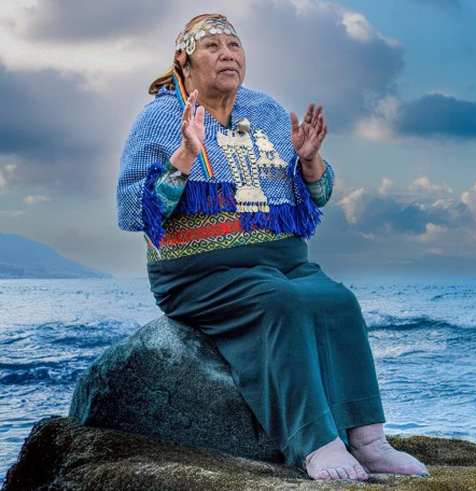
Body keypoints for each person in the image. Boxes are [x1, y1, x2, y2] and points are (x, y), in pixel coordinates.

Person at [117, 13, 428, 482]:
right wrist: (184, 157)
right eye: (213, 47)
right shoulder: (159, 119)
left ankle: (368, 440)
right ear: (183, 61)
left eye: (234, 45)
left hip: (282, 262)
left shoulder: (264, 112)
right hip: (199, 275)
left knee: (339, 301)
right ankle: (315, 444)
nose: (227, 54)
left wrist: (309, 161)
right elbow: (131, 210)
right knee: (280, 303)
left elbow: (318, 196)